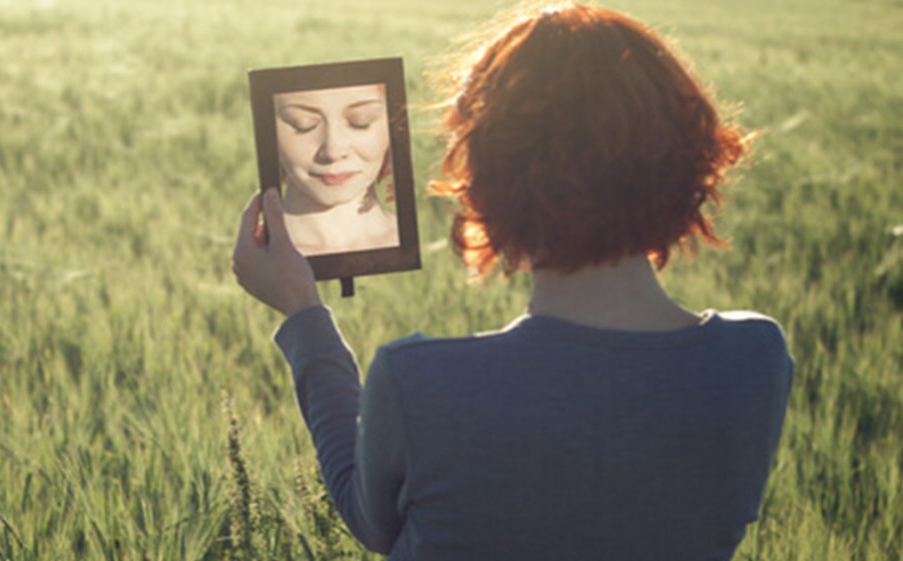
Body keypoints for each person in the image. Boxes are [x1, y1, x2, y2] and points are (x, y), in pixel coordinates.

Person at [232, 3, 793, 560]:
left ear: (487, 179)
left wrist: (303, 311)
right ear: (688, 162)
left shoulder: (421, 384)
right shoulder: (754, 359)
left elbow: (371, 522)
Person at [274, 84, 399, 255]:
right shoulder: (252, 262)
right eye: (303, 124)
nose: (333, 151)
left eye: (361, 122)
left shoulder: (426, 245)